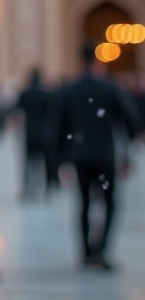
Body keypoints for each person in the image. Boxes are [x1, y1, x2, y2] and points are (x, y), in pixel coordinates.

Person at [54, 43, 141, 269]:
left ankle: (85, 253)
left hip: (80, 157)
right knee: (109, 203)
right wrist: (127, 152)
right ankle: (100, 250)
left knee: (84, 204)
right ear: (98, 61)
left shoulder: (69, 90)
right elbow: (130, 120)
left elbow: (59, 128)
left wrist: (62, 159)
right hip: (104, 157)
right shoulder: (109, 89)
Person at [15, 69, 55, 197]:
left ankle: (27, 187)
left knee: (27, 163)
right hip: (44, 133)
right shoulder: (46, 94)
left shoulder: (25, 94)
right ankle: (48, 186)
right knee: (46, 162)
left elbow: (16, 110)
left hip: (29, 133)